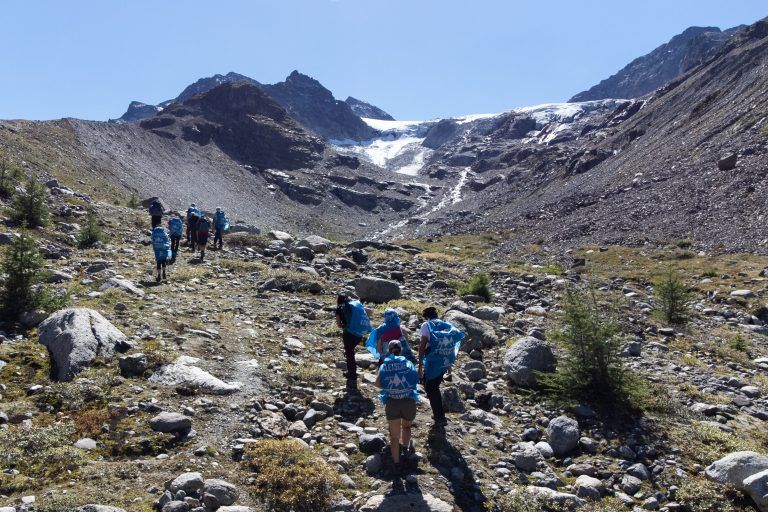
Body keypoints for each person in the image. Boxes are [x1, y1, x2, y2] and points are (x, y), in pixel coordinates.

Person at [376, 339, 419, 475]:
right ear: (401, 350)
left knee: (394, 437)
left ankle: (396, 464)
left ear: (389, 350)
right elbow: (416, 380)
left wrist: (391, 388)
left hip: (392, 402)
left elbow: (378, 384)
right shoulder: (408, 363)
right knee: (406, 427)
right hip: (408, 402)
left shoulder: (384, 365)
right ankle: (405, 450)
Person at [418, 306, 465, 429]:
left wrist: (419, 363)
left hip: (433, 362)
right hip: (444, 362)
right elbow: (452, 344)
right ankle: (439, 414)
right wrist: (449, 364)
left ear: (426, 316)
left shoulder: (426, 326)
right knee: (435, 386)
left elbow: (422, 345)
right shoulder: (446, 325)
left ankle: (440, 417)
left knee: (430, 388)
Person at [335, 294, 372, 390]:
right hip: (359, 334)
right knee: (351, 351)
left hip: (349, 334)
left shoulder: (339, 308)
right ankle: (351, 372)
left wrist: (345, 326)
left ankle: (352, 374)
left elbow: (339, 325)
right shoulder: (355, 306)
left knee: (349, 353)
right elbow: (369, 312)